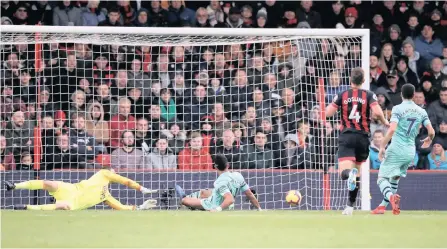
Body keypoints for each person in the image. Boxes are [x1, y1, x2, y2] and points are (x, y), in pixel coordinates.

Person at [325, 67, 389, 215]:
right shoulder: (369, 95)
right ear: (364, 81)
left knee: (344, 173)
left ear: (350, 80)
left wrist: (337, 104)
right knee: (357, 173)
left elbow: (328, 113)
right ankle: (350, 206)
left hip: (347, 136)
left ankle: (349, 180)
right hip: (363, 138)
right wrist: (384, 121)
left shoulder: (342, 94)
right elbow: (378, 112)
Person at [373, 84, 435, 215]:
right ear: (413, 95)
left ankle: (391, 198)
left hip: (396, 148)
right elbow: (431, 131)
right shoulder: (421, 111)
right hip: (410, 151)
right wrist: (429, 139)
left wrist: (382, 145)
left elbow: (392, 129)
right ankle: (382, 207)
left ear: (401, 94)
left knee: (382, 178)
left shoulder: (397, 109)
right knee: (395, 177)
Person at [4, 166, 157, 211]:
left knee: (62, 206)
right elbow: (125, 181)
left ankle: (25, 207)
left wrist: (140, 207)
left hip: (74, 204)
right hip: (71, 189)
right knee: (48, 183)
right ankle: (15, 185)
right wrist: (140, 188)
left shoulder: (106, 196)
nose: (113, 173)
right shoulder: (103, 174)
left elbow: (121, 207)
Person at [175, 154, 261, 212]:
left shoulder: (219, 182)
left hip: (212, 205)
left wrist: (217, 209)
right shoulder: (238, 175)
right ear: (228, 165)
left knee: (184, 201)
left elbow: (230, 199)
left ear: (215, 166)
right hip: (229, 206)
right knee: (205, 192)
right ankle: (190, 199)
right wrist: (259, 209)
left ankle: (185, 199)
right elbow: (249, 194)